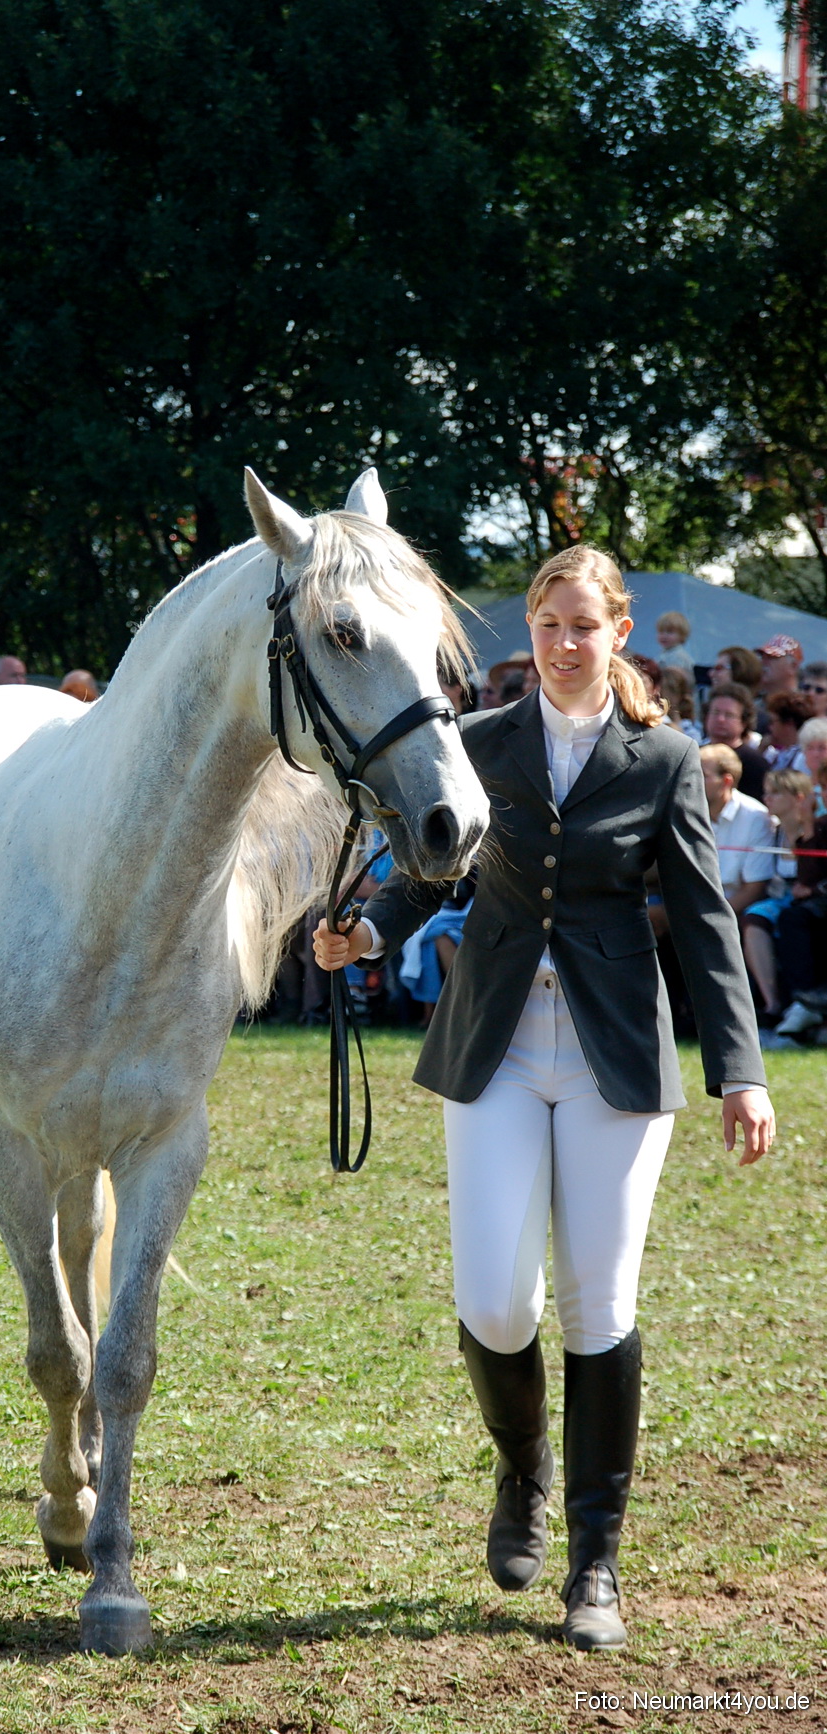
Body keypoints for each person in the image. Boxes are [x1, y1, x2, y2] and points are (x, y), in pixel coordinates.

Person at [314, 544, 772, 1653]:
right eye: (547, 625)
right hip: (497, 1045)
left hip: (617, 1056)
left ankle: (594, 1565)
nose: (565, 644)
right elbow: (430, 866)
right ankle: (522, 1472)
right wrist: (365, 930)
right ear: (530, 634)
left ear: (619, 634)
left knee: (597, 1306)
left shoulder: (662, 760)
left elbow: (707, 924)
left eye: (583, 625)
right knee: (494, 1305)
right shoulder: (478, 743)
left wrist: (742, 1070)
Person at [741, 770, 825, 1026]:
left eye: (776, 792)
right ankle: (771, 1003)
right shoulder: (771, 831)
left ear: (798, 797)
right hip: (780, 899)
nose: (767, 798)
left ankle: (804, 1003)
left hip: (807, 899)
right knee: (754, 918)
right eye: (766, 792)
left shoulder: (815, 829)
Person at [699, 743, 774, 915]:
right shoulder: (688, 813)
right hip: (691, 906)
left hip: (731, 912)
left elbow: (753, 889)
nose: (692, 781)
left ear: (726, 781)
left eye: (703, 776)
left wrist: (713, 918)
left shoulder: (756, 817)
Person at [702, 683, 769, 801]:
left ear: (743, 722)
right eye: (715, 712)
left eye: (729, 715)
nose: (720, 719)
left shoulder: (756, 764)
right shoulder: (694, 754)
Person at [762, 692, 814, 773]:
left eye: (772, 722)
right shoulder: (773, 755)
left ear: (789, 723)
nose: (769, 727)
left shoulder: (804, 759)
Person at [654, 611, 694, 679]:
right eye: (661, 631)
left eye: (669, 632)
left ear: (682, 635)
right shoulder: (664, 654)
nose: (664, 636)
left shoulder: (679, 657)